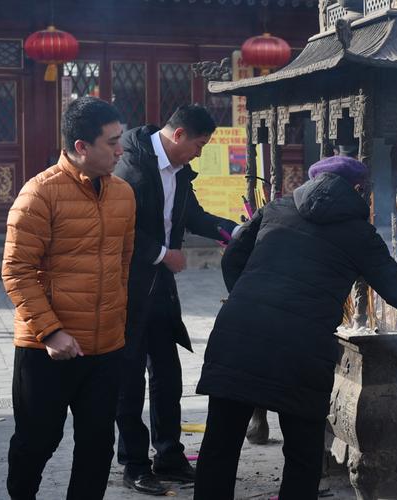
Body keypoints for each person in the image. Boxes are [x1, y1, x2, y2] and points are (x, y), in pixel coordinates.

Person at [194, 155, 397, 499]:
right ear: (358, 190)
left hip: (238, 336)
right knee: (302, 457)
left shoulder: (276, 209)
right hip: (300, 354)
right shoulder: (360, 234)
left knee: (219, 449)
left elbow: (232, 257)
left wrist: (249, 297)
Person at [2, 96, 135, 499]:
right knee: (37, 442)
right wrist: (51, 332)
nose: (120, 150)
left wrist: (118, 326)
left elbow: (122, 265)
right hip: (48, 349)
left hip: (105, 348)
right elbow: (16, 271)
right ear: (81, 147)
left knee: (97, 447)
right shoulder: (38, 194)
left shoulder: (124, 194)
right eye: (111, 142)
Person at [114, 104, 238, 495]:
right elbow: (121, 229)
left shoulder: (179, 171)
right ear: (179, 135)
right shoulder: (132, 168)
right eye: (200, 145)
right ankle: (134, 463)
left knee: (167, 373)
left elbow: (191, 215)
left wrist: (236, 232)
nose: (201, 153)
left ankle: (168, 453)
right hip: (128, 288)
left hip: (161, 289)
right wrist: (163, 255)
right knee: (128, 378)